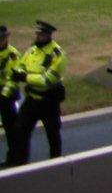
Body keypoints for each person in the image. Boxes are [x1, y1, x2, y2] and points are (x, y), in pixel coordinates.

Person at [5, 21, 66, 165]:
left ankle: (56, 163)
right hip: (31, 100)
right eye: (37, 34)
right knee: (20, 132)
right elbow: (22, 64)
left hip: (49, 102)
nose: (37, 37)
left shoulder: (57, 54)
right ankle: (19, 162)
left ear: (48, 35)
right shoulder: (32, 49)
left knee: (52, 134)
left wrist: (24, 78)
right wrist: (19, 72)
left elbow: (47, 80)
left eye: (41, 34)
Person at [0, 25, 19, 159]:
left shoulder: (12, 54)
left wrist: (4, 95)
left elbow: (13, 79)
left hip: (7, 95)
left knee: (11, 128)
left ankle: (14, 156)